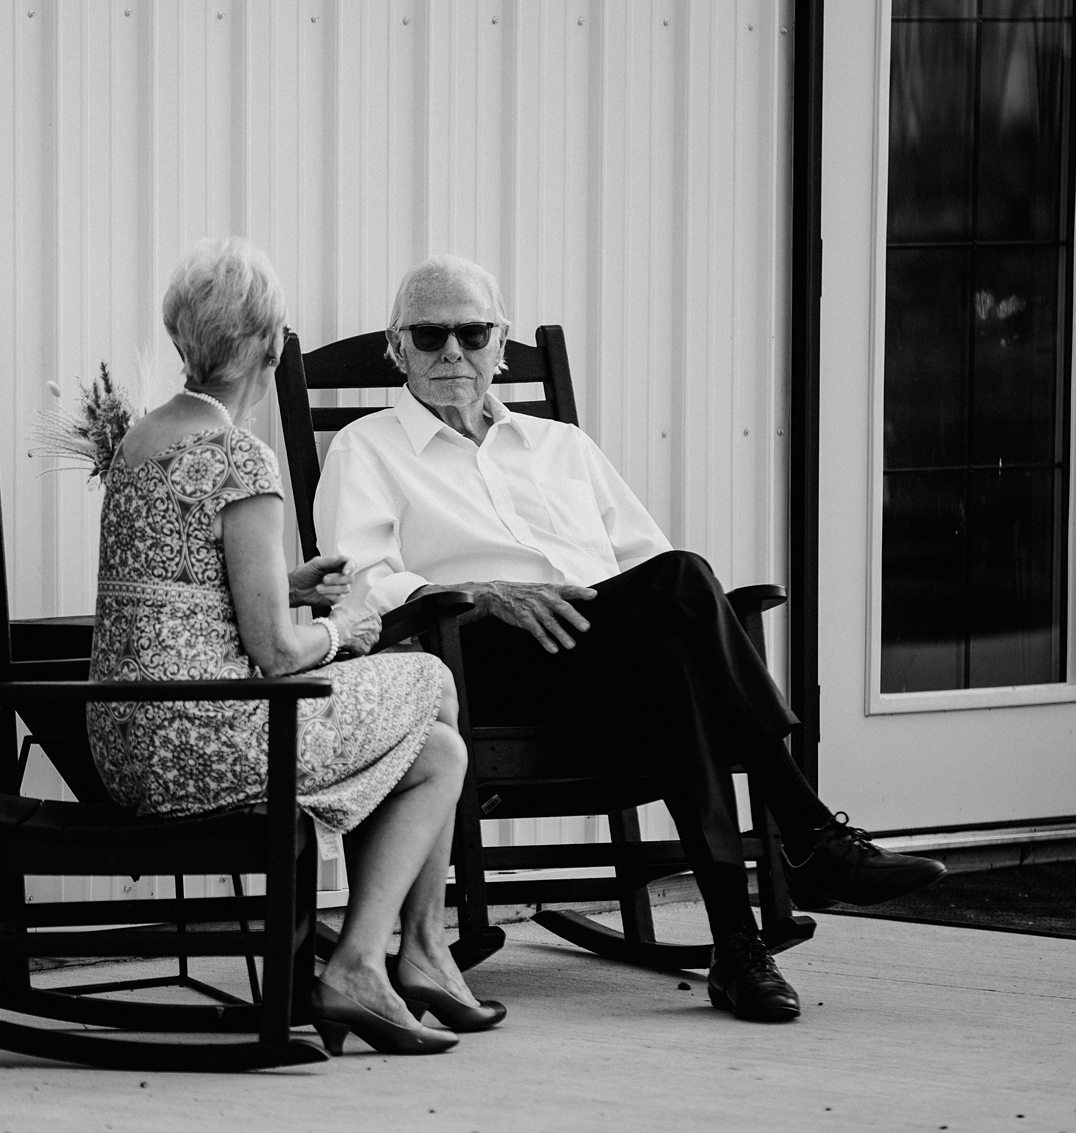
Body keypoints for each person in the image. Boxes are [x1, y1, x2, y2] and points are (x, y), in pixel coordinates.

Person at [313, 254, 947, 1024]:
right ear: (396, 347)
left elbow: (641, 561)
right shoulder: (366, 448)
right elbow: (362, 584)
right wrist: (487, 593)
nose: (453, 351)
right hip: (481, 660)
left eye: (472, 332)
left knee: (672, 661)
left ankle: (738, 949)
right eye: (430, 333)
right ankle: (808, 830)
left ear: (501, 343)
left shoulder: (561, 447)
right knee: (683, 581)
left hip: (603, 655)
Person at [86, 238, 502, 1055]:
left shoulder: (139, 442)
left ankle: (394, 957)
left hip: (124, 737)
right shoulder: (243, 455)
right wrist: (342, 625)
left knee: (439, 755)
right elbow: (276, 655)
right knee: (428, 681)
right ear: (273, 346)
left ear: (183, 339)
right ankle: (395, 954)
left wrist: (289, 583)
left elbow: (193, 581)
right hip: (207, 737)